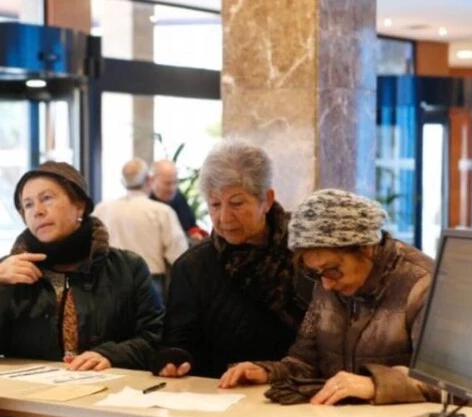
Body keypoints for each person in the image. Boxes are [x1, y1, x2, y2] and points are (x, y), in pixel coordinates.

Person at [219, 189, 440, 406]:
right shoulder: (327, 283)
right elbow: (305, 361)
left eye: (333, 270)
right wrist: (268, 372)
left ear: (367, 248)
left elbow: (449, 384)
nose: (326, 284)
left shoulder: (422, 285)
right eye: (315, 273)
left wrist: (375, 384)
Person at [0, 161, 164, 371]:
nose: (38, 211)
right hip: (28, 397)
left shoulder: (128, 268)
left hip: (112, 396)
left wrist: (112, 355)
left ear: (79, 205)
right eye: (28, 205)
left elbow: (156, 338)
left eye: (47, 198)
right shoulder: (7, 274)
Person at [155, 139, 314, 378]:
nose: (224, 217)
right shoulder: (193, 266)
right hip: (220, 395)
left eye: (237, 203)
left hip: (299, 390)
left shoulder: (306, 254)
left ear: (267, 200)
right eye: (215, 205)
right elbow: (178, 341)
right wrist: (174, 360)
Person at [93, 158, 188, 296]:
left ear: (123, 181)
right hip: (149, 282)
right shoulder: (161, 212)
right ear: (149, 180)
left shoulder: (102, 209)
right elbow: (178, 254)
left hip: (109, 281)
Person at [150, 159, 207, 241]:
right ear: (153, 181)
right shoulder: (146, 204)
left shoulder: (179, 198)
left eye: (175, 182)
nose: (172, 188)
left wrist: (195, 233)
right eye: (167, 183)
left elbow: (191, 225)